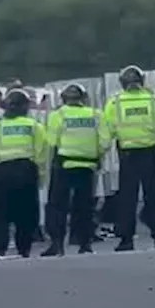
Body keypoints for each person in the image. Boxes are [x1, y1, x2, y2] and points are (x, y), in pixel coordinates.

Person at [103, 65, 155, 251]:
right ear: (142, 81)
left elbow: (107, 131)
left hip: (127, 155)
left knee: (127, 198)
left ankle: (126, 239)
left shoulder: (114, 103)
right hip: (150, 153)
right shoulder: (154, 101)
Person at [42, 83, 109, 256]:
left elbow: (51, 142)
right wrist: (96, 155)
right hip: (88, 166)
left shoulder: (58, 115)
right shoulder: (96, 114)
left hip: (64, 165)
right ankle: (85, 244)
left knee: (57, 206)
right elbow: (105, 142)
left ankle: (57, 244)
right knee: (84, 207)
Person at [0, 89, 47, 258]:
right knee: (26, 214)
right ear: (25, 107)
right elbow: (41, 154)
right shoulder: (34, 126)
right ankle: (24, 249)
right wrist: (41, 177)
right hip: (27, 170)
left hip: (3, 171)